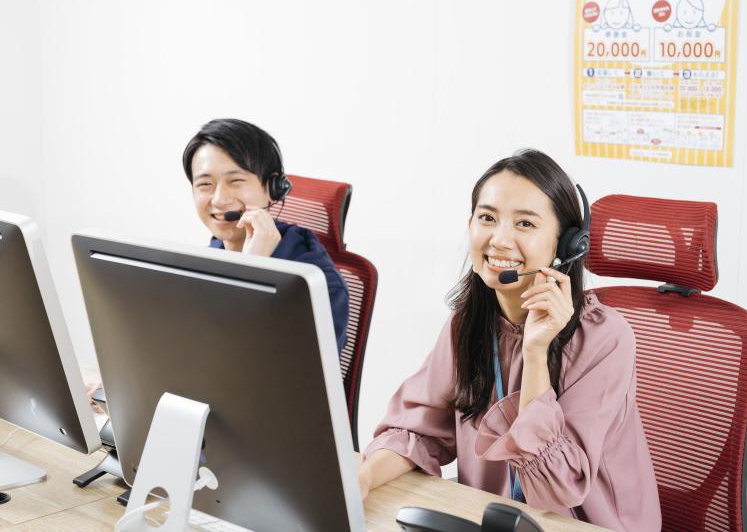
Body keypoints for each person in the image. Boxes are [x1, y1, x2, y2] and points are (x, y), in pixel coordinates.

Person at [357, 150, 661, 532]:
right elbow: (417, 431)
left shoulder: (605, 339)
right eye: (487, 218)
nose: (499, 240)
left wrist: (535, 353)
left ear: (566, 245)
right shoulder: (467, 324)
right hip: (495, 520)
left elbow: (556, 490)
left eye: (525, 223)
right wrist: (363, 478)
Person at [182, 118, 349, 354]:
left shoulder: (317, 286)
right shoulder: (215, 252)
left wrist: (251, 271)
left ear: (272, 189)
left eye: (235, 181)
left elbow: (287, 371)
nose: (219, 199)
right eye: (205, 184)